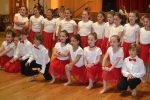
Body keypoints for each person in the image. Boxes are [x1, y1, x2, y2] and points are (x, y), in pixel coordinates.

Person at [139, 14, 150, 81]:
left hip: (148, 47)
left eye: (147, 22)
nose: (145, 23)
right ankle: (142, 75)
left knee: (147, 63)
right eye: (144, 21)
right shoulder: (141, 29)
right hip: (141, 47)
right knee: (142, 62)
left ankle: (146, 77)